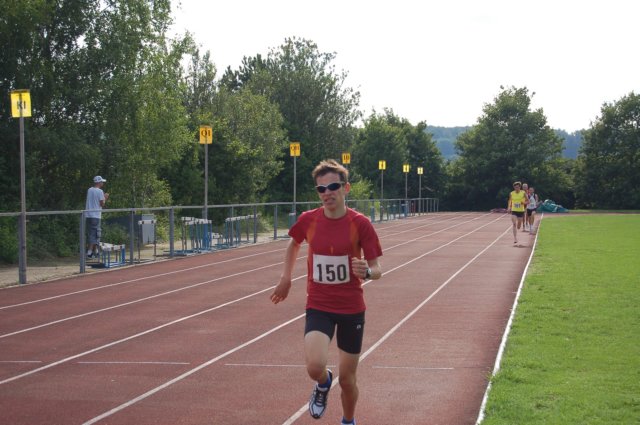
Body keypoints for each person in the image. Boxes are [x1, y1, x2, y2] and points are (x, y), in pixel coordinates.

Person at [270, 159, 383, 425]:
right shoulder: (309, 220)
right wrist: (286, 278)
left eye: (333, 186)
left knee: (348, 380)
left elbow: (378, 268)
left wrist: (366, 272)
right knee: (314, 367)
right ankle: (323, 384)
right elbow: (294, 244)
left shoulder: (360, 224)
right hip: (319, 305)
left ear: (346, 188)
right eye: (321, 189)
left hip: (351, 309)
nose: (327, 193)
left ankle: (348, 420)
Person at [85, 175, 109, 258]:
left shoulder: (89, 190)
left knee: (92, 233)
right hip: (95, 215)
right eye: (102, 182)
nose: (103, 183)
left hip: (88, 215)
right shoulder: (100, 191)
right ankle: (90, 252)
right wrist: (105, 198)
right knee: (96, 234)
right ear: (99, 182)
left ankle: (96, 252)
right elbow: (102, 204)